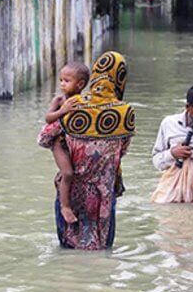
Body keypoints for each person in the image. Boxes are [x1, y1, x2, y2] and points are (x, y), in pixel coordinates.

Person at [53, 51, 135, 250]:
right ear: (120, 79)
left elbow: (45, 137)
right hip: (104, 195)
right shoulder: (125, 113)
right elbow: (120, 152)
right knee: (102, 253)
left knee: (68, 254)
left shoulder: (72, 105)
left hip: (71, 191)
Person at [38, 62, 90, 224]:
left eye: (66, 81)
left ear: (80, 84)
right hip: (59, 143)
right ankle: (65, 206)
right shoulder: (60, 100)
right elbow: (48, 118)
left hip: (75, 144)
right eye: (61, 80)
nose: (62, 84)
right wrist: (63, 111)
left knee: (79, 174)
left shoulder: (84, 101)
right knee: (68, 173)